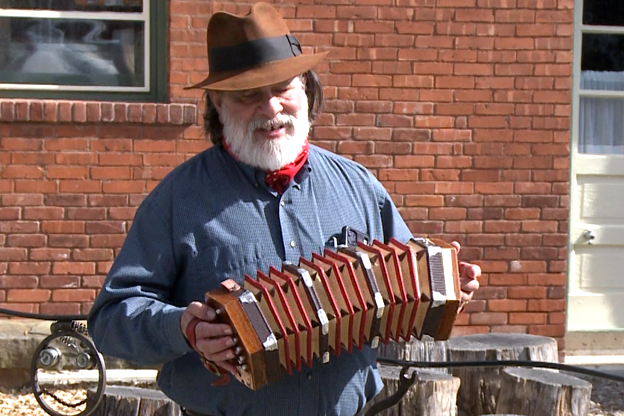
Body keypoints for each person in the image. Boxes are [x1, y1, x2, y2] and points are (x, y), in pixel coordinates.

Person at [87, 3, 481, 416]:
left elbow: (412, 283)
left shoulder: (359, 186)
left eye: (282, 88)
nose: (272, 108)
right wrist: (182, 326)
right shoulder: (177, 201)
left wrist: (450, 285)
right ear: (218, 106)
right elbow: (111, 321)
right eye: (248, 95)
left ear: (306, 90)